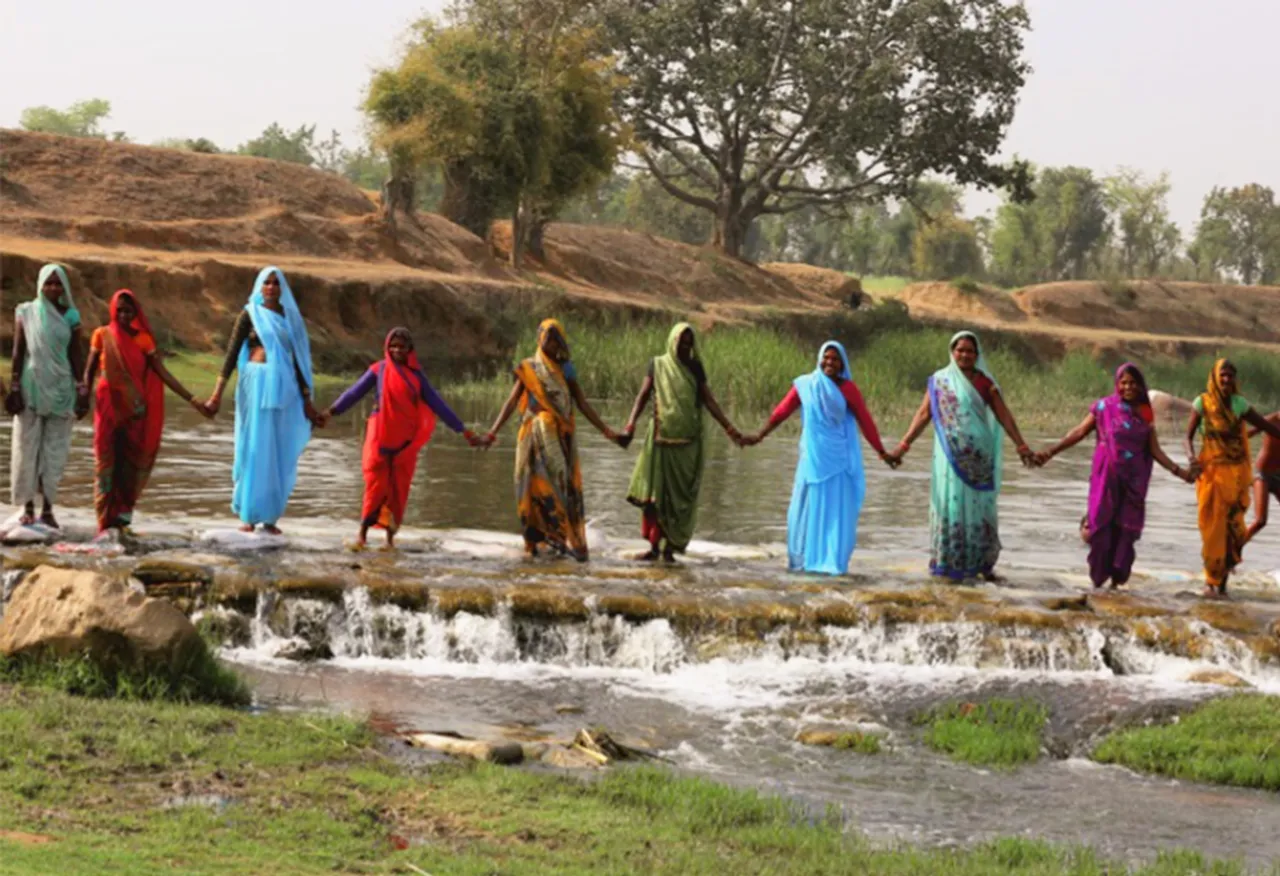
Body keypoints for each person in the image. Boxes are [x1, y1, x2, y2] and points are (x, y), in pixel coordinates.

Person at [885, 331, 1036, 581]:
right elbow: (924, 415)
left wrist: (1021, 445)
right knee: (950, 503)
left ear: (977, 355)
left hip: (979, 455)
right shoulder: (939, 381)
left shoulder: (985, 383)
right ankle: (949, 560)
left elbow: (1004, 415)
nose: (965, 355)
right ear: (952, 352)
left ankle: (978, 561)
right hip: (948, 456)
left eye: (970, 351)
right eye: (960, 350)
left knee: (979, 507)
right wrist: (903, 446)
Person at [1036, 363, 1196, 589]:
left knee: (1125, 533)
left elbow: (1155, 450)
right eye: (1123, 383)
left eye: (1133, 383)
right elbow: (1079, 432)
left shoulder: (1145, 413)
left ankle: (1116, 585)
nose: (1128, 387)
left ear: (1140, 386)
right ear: (1117, 385)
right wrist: (1051, 452)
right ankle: (1098, 583)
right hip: (1105, 480)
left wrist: (1180, 472)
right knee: (1099, 530)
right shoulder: (1103, 407)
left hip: (1134, 484)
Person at [744, 340, 899, 575]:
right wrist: (760, 435)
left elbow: (865, 421)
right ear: (819, 358)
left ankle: (832, 562)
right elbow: (782, 411)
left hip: (837, 461)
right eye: (826, 357)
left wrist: (882, 452)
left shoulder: (848, 389)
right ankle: (803, 560)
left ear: (842, 363)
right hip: (812, 459)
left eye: (835, 359)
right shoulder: (806, 384)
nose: (829, 362)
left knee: (835, 513)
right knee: (803, 509)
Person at [323, 327, 484, 548]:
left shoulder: (417, 378)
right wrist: (330, 413)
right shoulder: (378, 370)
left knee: (398, 488)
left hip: (405, 441)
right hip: (379, 436)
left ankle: (389, 539)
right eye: (393, 346)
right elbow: (354, 393)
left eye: (402, 346)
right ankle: (362, 534)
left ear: (410, 350)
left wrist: (464, 431)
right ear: (387, 347)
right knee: (375, 484)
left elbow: (439, 405)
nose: (397, 350)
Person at [483, 319, 625, 561]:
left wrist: (606, 430)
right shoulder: (529, 368)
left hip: (560, 439)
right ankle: (538, 541)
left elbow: (581, 403)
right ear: (539, 339)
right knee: (532, 486)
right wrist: (492, 432)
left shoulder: (566, 368)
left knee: (559, 485)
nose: (550, 343)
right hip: (532, 439)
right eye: (547, 338)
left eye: (555, 338)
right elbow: (510, 402)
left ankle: (558, 538)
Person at [203, 267, 321, 535]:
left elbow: (300, 362)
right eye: (266, 283)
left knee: (276, 450)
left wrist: (307, 400)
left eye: (276, 283)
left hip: (284, 388)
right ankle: (248, 514)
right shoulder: (250, 314)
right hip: (254, 385)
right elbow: (232, 355)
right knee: (254, 445)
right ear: (259, 286)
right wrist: (216, 395)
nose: (270, 287)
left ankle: (269, 518)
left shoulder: (290, 319)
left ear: (283, 288)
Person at [83, 290, 210, 535]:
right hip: (107, 409)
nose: (122, 314)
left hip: (135, 412)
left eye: (128, 311)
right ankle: (103, 521)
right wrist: (81, 397)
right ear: (112, 309)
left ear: (135, 313)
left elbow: (162, 373)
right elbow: (89, 372)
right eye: (119, 310)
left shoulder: (143, 340)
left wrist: (193, 400)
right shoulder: (102, 335)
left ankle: (120, 519)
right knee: (105, 460)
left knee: (129, 462)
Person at [622, 323, 745, 561]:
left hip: (688, 445)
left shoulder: (695, 368)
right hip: (659, 442)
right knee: (657, 496)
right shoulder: (658, 365)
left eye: (690, 342)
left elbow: (709, 401)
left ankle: (670, 551)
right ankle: (654, 548)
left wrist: (730, 429)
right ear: (672, 342)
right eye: (682, 342)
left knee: (681, 499)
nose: (686, 347)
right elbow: (643, 395)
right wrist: (630, 423)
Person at [1184, 359, 1280, 598]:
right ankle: (1209, 582)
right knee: (1213, 530)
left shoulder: (1240, 404)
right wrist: (1191, 458)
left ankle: (1222, 585)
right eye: (1223, 375)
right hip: (1212, 477)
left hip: (1237, 477)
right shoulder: (1202, 403)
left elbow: (1269, 427)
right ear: (1215, 377)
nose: (1227, 380)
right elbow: (1188, 437)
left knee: (1234, 531)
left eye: (1231, 376)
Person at [6, 264, 86, 529]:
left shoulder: (71, 315)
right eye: (48, 283)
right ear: (40, 285)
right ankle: (27, 507)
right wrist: (14, 387)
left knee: (54, 451)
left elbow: (76, 354)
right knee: (26, 447)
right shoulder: (26, 312)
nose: (53, 288)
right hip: (31, 387)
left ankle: (49, 509)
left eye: (57, 284)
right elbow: (19, 352)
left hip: (62, 389)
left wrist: (82, 390)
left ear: (64, 287)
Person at [1245, 408, 1280, 546]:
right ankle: (1232, 553)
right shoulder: (1273, 420)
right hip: (1262, 474)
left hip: (1278, 476)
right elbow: (1247, 435)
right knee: (1260, 521)